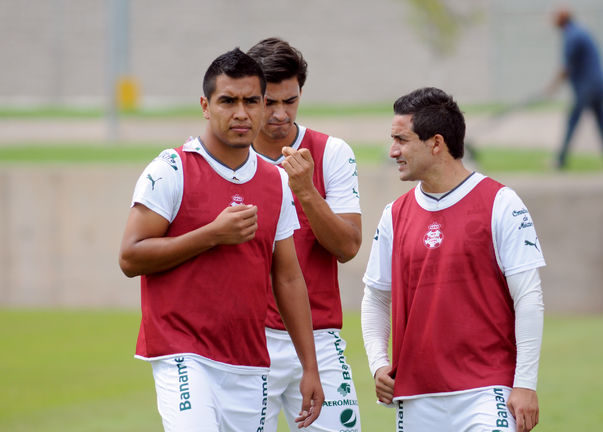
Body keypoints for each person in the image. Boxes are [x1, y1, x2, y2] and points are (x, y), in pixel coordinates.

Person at [118, 48, 323, 432]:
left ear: (263, 106)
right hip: (184, 354)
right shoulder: (172, 168)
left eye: (251, 101)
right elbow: (130, 257)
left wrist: (308, 367)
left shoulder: (275, 181)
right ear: (206, 106)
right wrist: (212, 235)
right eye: (228, 101)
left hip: (248, 361)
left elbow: (289, 279)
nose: (241, 113)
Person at [361, 87, 546, 432]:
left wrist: (525, 383)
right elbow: (376, 297)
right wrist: (378, 364)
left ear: (436, 143)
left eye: (401, 140)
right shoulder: (394, 215)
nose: (392, 151)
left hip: (487, 391)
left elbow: (529, 297)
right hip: (416, 397)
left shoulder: (501, 203)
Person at [246, 38, 363, 432]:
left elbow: (347, 246)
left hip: (318, 337)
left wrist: (306, 190)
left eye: (290, 101)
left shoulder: (332, 153)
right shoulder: (228, 157)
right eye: (269, 102)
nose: (280, 114)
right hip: (246, 339)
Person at [547, 7, 603, 169]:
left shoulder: (571, 36)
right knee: (602, 124)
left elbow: (566, 68)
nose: (552, 21)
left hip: (588, 88)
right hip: (598, 86)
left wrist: (552, 87)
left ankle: (560, 160)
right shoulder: (579, 32)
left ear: (561, 20)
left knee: (572, 122)